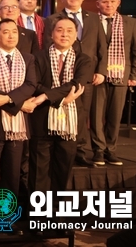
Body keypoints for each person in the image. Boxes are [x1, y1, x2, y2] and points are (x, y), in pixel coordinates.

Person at [0, 19, 38, 236]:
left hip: (18, 127)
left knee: (11, 176)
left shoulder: (28, 58)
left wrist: (9, 101)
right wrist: (20, 104)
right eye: (6, 32)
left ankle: (5, 218)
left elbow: (31, 85)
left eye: (15, 32)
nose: (11, 36)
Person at [43, 0, 106, 168]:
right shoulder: (52, 18)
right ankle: (60, 147)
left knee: (83, 112)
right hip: (61, 73)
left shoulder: (95, 18)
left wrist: (101, 70)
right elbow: (48, 45)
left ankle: (80, 150)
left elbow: (102, 46)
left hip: (88, 74)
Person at [27, 17, 91, 199]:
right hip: (42, 119)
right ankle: (38, 217)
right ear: (51, 33)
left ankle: (59, 216)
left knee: (63, 172)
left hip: (69, 125)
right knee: (38, 174)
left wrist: (47, 96)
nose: (64, 34)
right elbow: (35, 84)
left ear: (76, 34)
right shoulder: (38, 57)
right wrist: (60, 101)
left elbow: (76, 84)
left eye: (70, 30)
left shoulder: (84, 59)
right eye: (60, 30)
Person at [90, 0, 136, 165]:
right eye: (105, 2)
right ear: (98, 4)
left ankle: (110, 150)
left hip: (121, 75)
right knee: (97, 115)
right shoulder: (91, 21)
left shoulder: (130, 23)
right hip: (97, 76)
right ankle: (98, 150)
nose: (109, 5)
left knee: (115, 115)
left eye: (112, 2)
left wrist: (135, 75)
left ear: (119, 3)